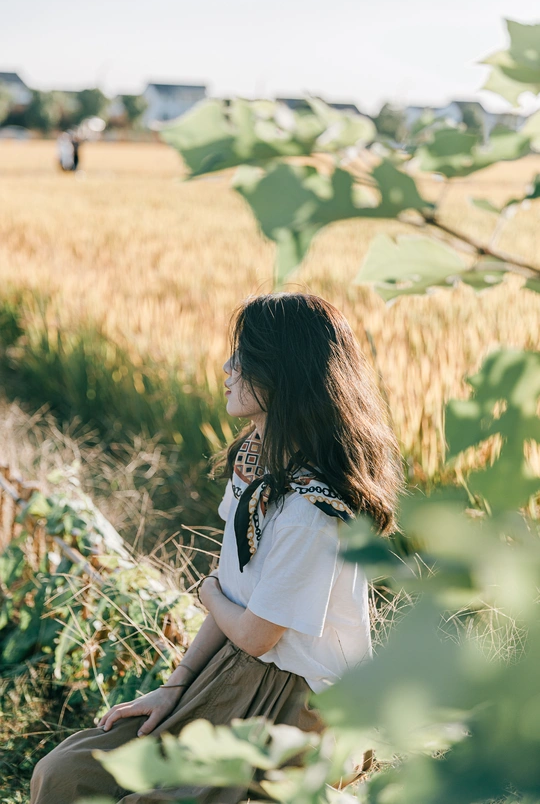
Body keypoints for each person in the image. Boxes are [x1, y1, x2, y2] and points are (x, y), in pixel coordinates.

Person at [31, 293, 404, 804]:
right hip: (228, 674)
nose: (227, 368)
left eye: (244, 357)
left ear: (283, 373)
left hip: (297, 708)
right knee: (65, 776)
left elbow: (255, 632)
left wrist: (207, 592)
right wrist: (174, 685)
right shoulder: (255, 467)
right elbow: (238, 602)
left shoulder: (312, 510)